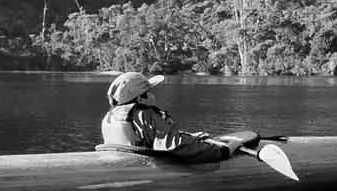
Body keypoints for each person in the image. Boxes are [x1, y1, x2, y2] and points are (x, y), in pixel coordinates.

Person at [99, 70, 259, 165]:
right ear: (141, 99)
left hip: (121, 161)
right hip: (141, 166)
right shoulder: (147, 114)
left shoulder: (112, 114)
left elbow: (150, 139)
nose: (153, 95)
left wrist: (187, 137)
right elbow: (177, 147)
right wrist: (225, 149)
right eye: (149, 92)